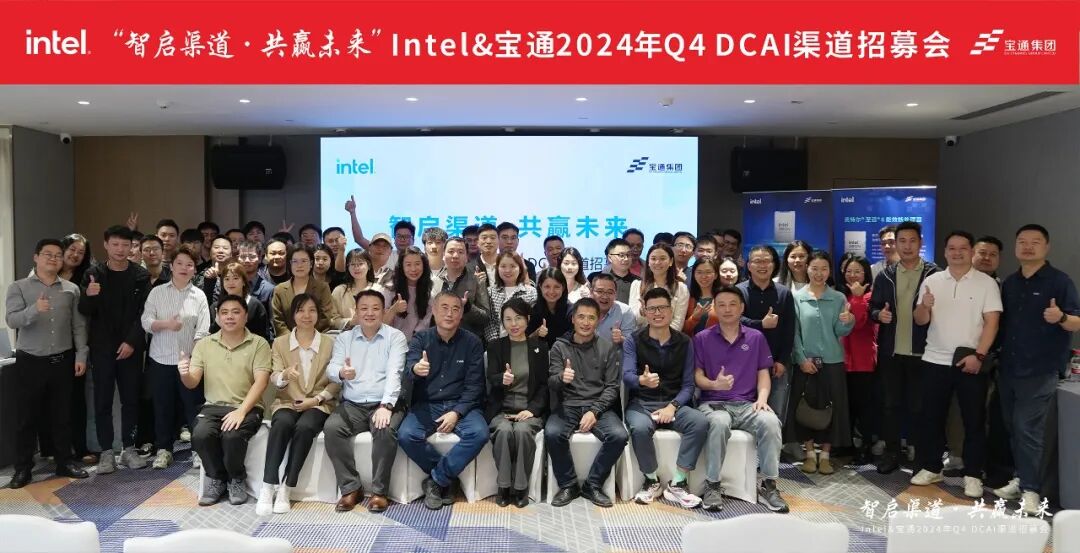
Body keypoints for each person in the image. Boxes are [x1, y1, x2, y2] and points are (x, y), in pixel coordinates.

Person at [908, 231, 1001, 498]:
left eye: (962, 248)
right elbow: (920, 320)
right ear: (945, 251)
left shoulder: (986, 283)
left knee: (974, 420)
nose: (957, 252)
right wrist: (924, 306)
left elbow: (992, 323)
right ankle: (932, 466)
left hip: (970, 360)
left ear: (971, 251)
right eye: (951, 248)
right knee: (931, 417)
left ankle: (973, 474)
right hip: (934, 359)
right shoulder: (932, 280)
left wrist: (979, 356)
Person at [995, 224, 1080, 514]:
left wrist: (1061, 317)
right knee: (1013, 427)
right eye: (1022, 241)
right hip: (1009, 368)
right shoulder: (1010, 283)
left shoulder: (1060, 281)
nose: (1028, 247)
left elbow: (1076, 321)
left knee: (1026, 428)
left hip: (1040, 369)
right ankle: (1022, 477)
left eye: (1035, 242)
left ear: (1046, 247)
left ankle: (1031, 490)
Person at [694, 285, 789, 513]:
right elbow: (697, 376)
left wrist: (763, 399)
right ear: (714, 308)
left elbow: (763, 374)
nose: (727, 309)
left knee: (770, 422)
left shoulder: (756, 337)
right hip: (713, 403)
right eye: (721, 305)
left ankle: (769, 485)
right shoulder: (702, 338)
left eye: (732, 304)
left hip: (747, 404)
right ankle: (712, 485)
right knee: (718, 422)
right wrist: (714, 384)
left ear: (742, 308)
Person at [5, 239, 91, 488]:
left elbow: (78, 326)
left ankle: (65, 462)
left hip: (62, 360)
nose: (53, 259)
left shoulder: (71, 289)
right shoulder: (18, 287)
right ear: (36, 257)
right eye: (48, 254)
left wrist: (81, 355)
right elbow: (12, 320)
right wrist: (35, 309)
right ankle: (23, 469)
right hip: (30, 361)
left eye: (57, 255)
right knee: (27, 418)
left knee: (62, 415)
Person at [399, 292, 489, 510]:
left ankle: (437, 480)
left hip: (461, 405)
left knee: (479, 433)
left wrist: (456, 413)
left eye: (455, 309)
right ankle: (446, 478)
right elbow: (409, 370)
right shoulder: (420, 339)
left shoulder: (472, 342)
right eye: (444, 308)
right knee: (406, 435)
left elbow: (475, 386)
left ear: (461, 314)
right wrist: (416, 369)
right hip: (427, 404)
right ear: (434, 310)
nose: (449, 314)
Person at [181, 295, 272, 506]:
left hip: (247, 407)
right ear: (217, 317)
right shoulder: (204, 344)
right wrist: (184, 373)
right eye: (224, 312)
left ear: (245, 316)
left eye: (236, 312)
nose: (229, 317)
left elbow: (261, 381)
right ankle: (217, 478)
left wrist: (241, 411)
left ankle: (236, 478)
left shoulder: (258, 343)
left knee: (232, 436)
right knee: (200, 434)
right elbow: (192, 382)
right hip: (213, 407)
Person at [624, 288, 707, 509]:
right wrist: (642, 380)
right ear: (644, 311)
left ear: (671, 311)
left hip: (674, 403)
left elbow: (688, 385)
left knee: (700, 422)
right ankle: (651, 480)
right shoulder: (633, 340)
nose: (657, 313)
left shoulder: (685, 342)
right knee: (639, 428)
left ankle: (678, 483)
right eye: (652, 308)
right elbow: (627, 376)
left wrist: (673, 406)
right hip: (642, 403)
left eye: (662, 308)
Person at [256, 294, 339, 515]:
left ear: (318, 314)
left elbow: (336, 382)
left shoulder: (330, 343)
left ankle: (287, 486)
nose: (306, 315)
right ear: (293, 315)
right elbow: (274, 376)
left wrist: (316, 399)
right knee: (282, 424)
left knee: (305, 427)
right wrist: (284, 375)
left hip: (318, 403)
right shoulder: (280, 343)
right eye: (301, 310)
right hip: (287, 401)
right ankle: (267, 485)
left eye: (312, 310)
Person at [869, 221, 939, 474]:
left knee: (920, 406)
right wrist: (879, 315)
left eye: (912, 241)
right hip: (892, 352)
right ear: (896, 244)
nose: (907, 246)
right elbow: (873, 307)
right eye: (902, 241)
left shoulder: (934, 274)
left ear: (921, 243)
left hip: (924, 352)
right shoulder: (885, 275)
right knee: (890, 405)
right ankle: (891, 454)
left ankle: (920, 455)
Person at [80, 225, 151, 474]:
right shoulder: (93, 274)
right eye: (115, 244)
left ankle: (129, 449)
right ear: (106, 245)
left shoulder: (140, 275)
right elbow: (85, 310)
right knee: (102, 400)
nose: (120, 249)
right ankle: (106, 452)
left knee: (130, 399)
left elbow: (145, 312)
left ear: (132, 247)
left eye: (125, 245)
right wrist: (89, 295)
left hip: (130, 348)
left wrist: (132, 341)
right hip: (102, 348)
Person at [545, 298, 627, 508]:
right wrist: (562, 377)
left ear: (598, 321)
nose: (586, 322)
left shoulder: (607, 348)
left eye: (591, 318)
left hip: (598, 405)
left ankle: (593, 485)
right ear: (573, 319)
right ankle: (568, 485)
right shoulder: (559, 347)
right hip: (568, 404)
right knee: (553, 433)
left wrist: (594, 411)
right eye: (581, 317)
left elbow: (612, 387)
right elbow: (551, 383)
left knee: (619, 435)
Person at [141, 245, 211, 469]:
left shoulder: (199, 295)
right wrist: (166, 324)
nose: (184, 268)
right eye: (179, 263)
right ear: (171, 266)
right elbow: (146, 321)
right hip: (161, 359)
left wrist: (193, 358)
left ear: (194, 269)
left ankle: (198, 450)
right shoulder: (157, 292)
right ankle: (164, 449)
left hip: (189, 362)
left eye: (189, 264)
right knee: (163, 406)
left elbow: (203, 331)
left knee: (193, 407)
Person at [792, 251, 855, 476]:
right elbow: (794, 332)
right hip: (805, 362)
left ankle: (826, 456)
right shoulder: (797, 297)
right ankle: (809, 454)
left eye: (824, 269)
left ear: (830, 271)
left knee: (833, 407)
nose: (819, 273)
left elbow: (840, 331)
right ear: (807, 268)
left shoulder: (838, 298)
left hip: (832, 360)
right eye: (815, 268)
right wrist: (801, 359)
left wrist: (849, 321)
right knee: (804, 406)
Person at [485, 298, 549, 508]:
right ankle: (504, 486)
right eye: (508, 319)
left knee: (522, 431)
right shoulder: (496, 346)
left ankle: (521, 487)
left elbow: (544, 385)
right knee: (504, 431)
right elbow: (491, 377)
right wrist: (501, 379)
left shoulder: (539, 348)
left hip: (528, 411)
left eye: (518, 318)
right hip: (501, 410)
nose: (513, 324)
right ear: (502, 322)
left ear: (528, 319)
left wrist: (532, 410)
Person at [736, 245, 797, 427]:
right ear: (749, 265)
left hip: (775, 363)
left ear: (774, 264)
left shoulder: (784, 293)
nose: (762, 265)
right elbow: (734, 320)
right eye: (757, 261)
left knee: (775, 411)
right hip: (744, 361)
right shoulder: (738, 291)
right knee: (745, 410)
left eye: (767, 261)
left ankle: (774, 445)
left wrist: (782, 360)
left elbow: (789, 329)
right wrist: (760, 324)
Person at [837, 254, 877, 464]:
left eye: (857, 271)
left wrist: (858, 298)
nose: (852, 275)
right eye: (849, 271)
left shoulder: (870, 296)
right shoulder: (840, 296)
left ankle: (866, 447)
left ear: (866, 274)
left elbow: (859, 323)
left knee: (865, 408)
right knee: (847, 406)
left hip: (863, 361)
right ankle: (846, 445)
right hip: (843, 360)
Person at [271, 246, 341, 337]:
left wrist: (307, 336)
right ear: (290, 264)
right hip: (287, 339)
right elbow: (277, 320)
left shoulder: (322, 288)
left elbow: (325, 318)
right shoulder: (279, 289)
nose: (299, 265)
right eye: (295, 261)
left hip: (316, 338)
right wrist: (292, 338)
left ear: (311, 263)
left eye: (304, 261)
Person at [433, 237, 491, 341]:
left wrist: (467, 307)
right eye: (451, 251)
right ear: (443, 255)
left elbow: (486, 318)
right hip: (438, 340)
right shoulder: (434, 280)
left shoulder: (477, 279)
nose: (455, 256)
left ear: (467, 256)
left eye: (460, 252)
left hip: (467, 341)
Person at [629, 244, 690, 331]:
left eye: (662, 258)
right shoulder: (637, 285)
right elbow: (633, 320)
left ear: (671, 261)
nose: (657, 262)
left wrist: (661, 336)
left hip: (669, 337)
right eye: (653, 259)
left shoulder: (681, 288)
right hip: (641, 336)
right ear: (648, 262)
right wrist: (641, 312)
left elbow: (678, 322)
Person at [484, 252, 538, 342]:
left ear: (520, 269)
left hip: (524, 343)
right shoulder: (490, 292)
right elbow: (489, 323)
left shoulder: (531, 292)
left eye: (512, 266)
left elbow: (532, 322)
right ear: (497, 269)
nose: (508, 270)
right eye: (503, 266)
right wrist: (495, 344)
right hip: (497, 344)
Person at [213, 262, 274, 342]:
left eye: (235, 278)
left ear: (244, 281)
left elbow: (264, 336)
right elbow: (211, 335)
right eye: (227, 279)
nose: (231, 282)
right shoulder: (215, 307)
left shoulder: (255, 305)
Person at [385, 246, 434, 340]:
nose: (413, 269)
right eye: (408, 264)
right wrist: (393, 310)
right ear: (401, 267)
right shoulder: (389, 289)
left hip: (416, 342)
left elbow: (424, 324)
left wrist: (414, 342)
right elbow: (380, 324)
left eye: (417, 264)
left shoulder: (428, 292)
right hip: (391, 341)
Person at [331, 249, 385, 323]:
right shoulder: (339, 290)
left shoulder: (378, 289)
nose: (356, 268)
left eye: (360, 264)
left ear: (369, 265)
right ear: (348, 267)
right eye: (353, 264)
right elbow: (332, 318)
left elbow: (383, 316)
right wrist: (350, 322)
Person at [526, 268, 572, 349]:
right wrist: (536, 333)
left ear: (563, 287)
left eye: (556, 287)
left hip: (564, 354)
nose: (551, 291)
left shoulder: (571, 311)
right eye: (547, 287)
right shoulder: (531, 309)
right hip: (539, 354)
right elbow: (524, 341)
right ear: (540, 286)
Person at [590, 273, 637, 348]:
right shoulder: (582, 308)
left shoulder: (625, 312)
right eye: (600, 291)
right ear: (591, 292)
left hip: (614, 355)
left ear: (615, 294)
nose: (605, 296)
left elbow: (633, 344)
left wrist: (621, 339)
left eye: (610, 292)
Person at [233, 240, 276, 310]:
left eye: (252, 257)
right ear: (237, 259)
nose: (247, 260)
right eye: (243, 256)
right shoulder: (229, 284)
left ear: (259, 259)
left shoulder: (269, 289)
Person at [596, 238, 640, 304]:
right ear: (610, 258)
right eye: (621, 255)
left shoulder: (639, 282)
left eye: (628, 255)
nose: (626, 259)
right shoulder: (598, 280)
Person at [684, 258, 721, 335]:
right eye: (699, 272)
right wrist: (694, 318)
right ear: (694, 275)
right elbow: (683, 331)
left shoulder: (723, 298)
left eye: (708, 272)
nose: (704, 276)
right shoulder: (688, 299)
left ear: (716, 275)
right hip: (693, 341)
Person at [197, 236, 232, 301]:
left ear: (231, 254)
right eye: (216, 247)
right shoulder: (198, 272)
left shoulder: (236, 273)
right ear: (210, 252)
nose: (220, 251)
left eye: (225, 248)